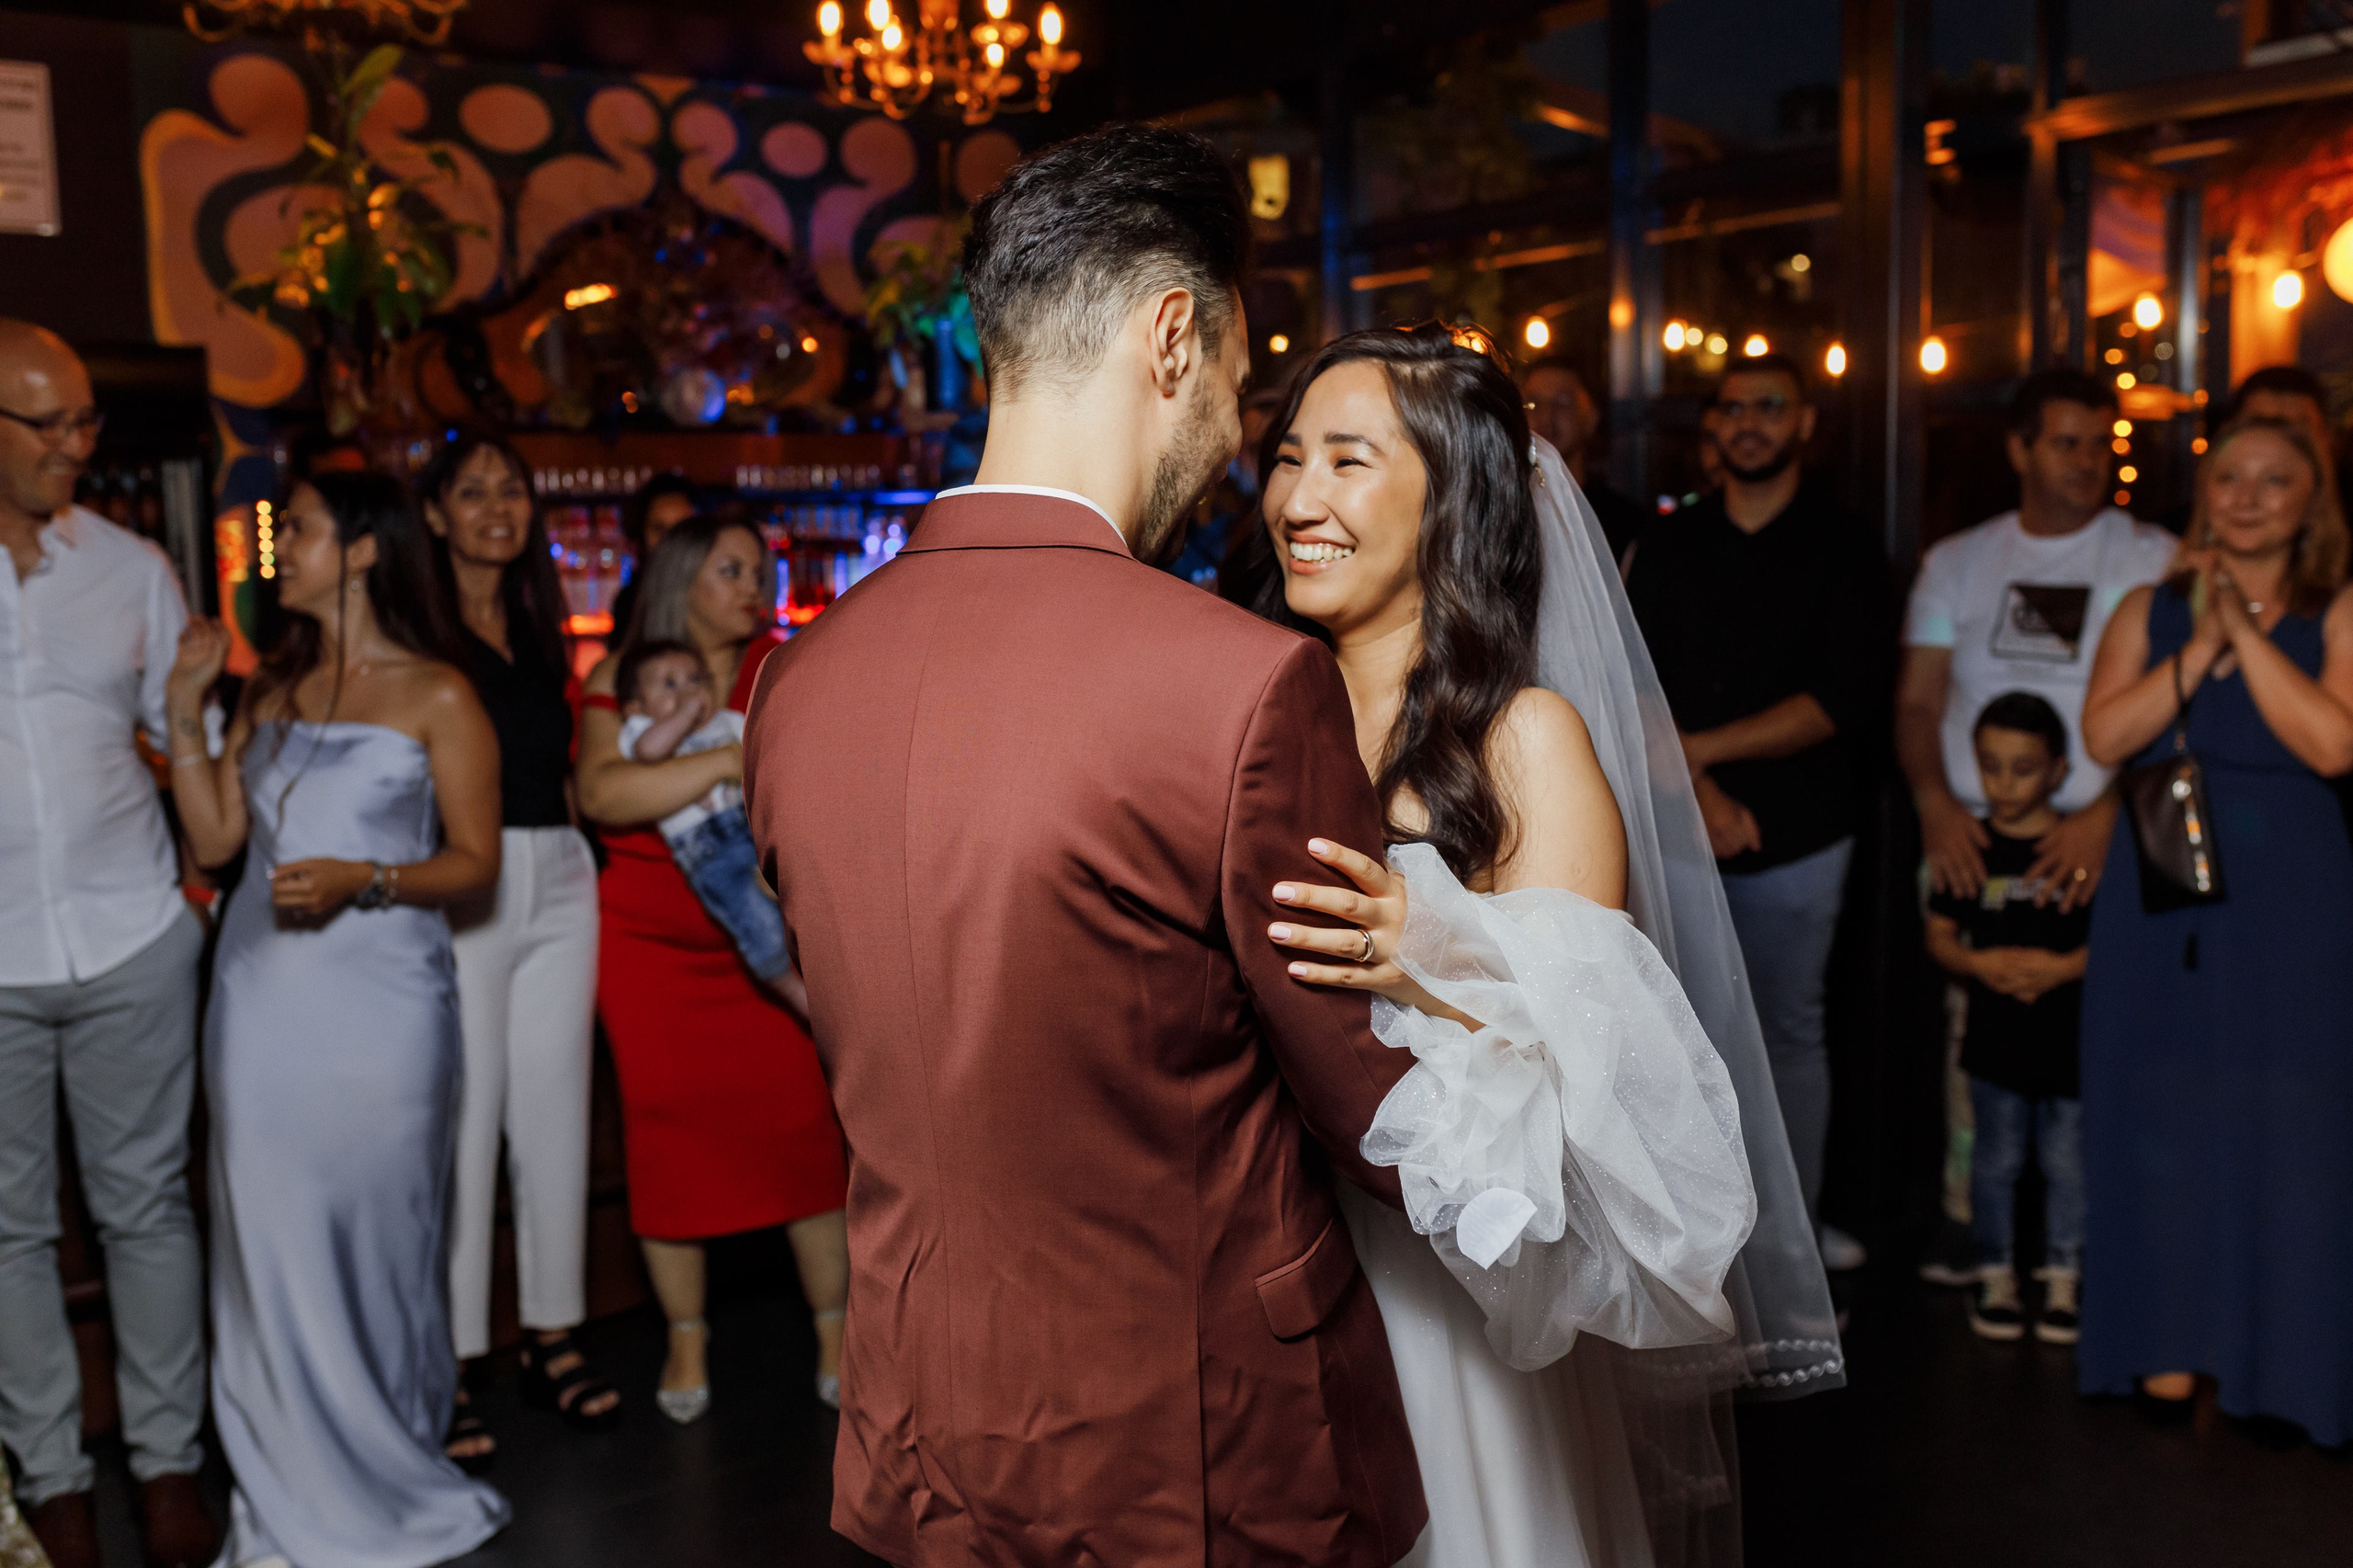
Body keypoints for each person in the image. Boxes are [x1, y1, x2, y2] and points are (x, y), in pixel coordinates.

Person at [743, 123, 1427, 1567]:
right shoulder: (1240, 685)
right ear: (1173, 336)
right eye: (1242, 384)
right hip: (1191, 1449)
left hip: (919, 1422)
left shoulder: (797, 683)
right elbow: (1381, 1108)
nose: (1238, 433)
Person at [1233, 323, 1842, 1563]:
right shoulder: (1243, 703)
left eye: (1348, 460)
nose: (1298, 496)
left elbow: (1614, 1080)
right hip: (1255, 1260)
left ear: (1454, 501)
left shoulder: (1521, 739)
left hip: (1443, 1286)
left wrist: (1433, 951)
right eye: (1289, 456)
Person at [166, 472, 510, 1566]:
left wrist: (367, 876)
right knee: (267, 1249)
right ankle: (287, 1490)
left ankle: (389, 1466)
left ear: (363, 550)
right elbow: (219, 841)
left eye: (302, 529)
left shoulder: (438, 695)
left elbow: (476, 862)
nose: (283, 550)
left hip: (385, 1011)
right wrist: (184, 712)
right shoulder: (269, 686)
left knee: (382, 1238)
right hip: (261, 1006)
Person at [2079, 414, 2353, 1439]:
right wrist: (2198, 640)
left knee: (2294, 1125)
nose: (2244, 496)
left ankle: (2284, 1363)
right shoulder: (2148, 606)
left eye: (2272, 480)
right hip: (2163, 881)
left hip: (2295, 892)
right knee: (2159, 1112)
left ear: (2309, 499)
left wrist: (2247, 629)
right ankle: (2163, 1343)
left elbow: (2332, 743)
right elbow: (2103, 734)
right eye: (2228, 477)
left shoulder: (2336, 607)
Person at [0, 320, 216, 1568]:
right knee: (14, 1230)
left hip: (133, 935)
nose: (76, 444)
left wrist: (195, 715)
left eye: (86, 421)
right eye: (47, 424)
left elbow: (179, 732)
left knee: (146, 1211)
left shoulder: (132, 566)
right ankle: (54, 1480)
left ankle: (170, 1465)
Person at [1897, 368, 2177, 1285]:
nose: (2088, 462)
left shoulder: (2152, 553)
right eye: (2066, 442)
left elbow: (2183, 704)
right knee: (1970, 1032)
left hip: (2113, 827)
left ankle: (2096, 1228)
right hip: (1982, 830)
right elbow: (1918, 700)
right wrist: (1937, 804)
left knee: (2105, 1024)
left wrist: (2103, 812)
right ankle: (1966, 1216)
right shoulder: (1958, 560)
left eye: (2102, 444)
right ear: (2019, 448)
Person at [576, 514, 847, 1423]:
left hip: (770, 934)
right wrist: (730, 757)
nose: (754, 585)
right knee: (665, 1141)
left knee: (806, 1131)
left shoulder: (788, 663)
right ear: (681, 579)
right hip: (646, 953)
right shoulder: (624, 670)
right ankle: (686, 1335)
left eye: (759, 569)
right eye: (730, 569)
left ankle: (836, 1331)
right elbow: (605, 793)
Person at [1623, 351, 1891, 1267]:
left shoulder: (1846, 545)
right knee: (1676, 1035)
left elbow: (1840, 699)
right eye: (1732, 408)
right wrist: (1696, 788)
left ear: (1804, 421)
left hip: (1802, 834)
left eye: (1768, 407)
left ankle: (1789, 1239)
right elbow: (1633, 682)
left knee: (1786, 1035)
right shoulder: (1669, 541)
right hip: (1676, 828)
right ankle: (1700, 1243)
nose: (1747, 423)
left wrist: (1704, 753)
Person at [418, 432, 619, 1471]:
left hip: (559, 875)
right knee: (466, 1125)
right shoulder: (418, 635)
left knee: (554, 1117)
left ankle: (552, 1331)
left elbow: (574, 768)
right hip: (467, 882)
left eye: (513, 489)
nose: (498, 505)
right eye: (473, 490)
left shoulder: (543, 629)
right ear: (437, 514)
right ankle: (450, 1360)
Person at [1923, 692, 2090, 1346]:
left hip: (2068, 1041)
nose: (2004, 782)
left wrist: (2061, 968)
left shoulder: (2080, 847)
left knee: (2065, 1161)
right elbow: (1938, 935)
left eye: (2023, 768)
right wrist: (1980, 963)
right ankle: (1996, 1275)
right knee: (1993, 1161)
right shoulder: (1970, 846)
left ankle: (2063, 1280)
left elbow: (2116, 941)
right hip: (1993, 1041)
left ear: (2058, 771)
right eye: (1991, 765)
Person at [613, 639, 799, 996]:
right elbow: (649, 751)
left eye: (695, 679)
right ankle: (790, 988)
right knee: (755, 924)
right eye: (669, 684)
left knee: (797, 903)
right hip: (707, 849)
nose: (687, 690)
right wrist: (684, 715)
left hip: (747, 827)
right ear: (635, 708)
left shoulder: (725, 722)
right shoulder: (641, 731)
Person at [1518, 356, 1647, 558]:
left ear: (1591, 418)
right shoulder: (1506, 511)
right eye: (1534, 404)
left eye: (1562, 403)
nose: (1546, 417)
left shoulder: (1622, 521)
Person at [608, 470, 696, 638]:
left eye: (681, 530)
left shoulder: (715, 598)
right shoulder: (630, 602)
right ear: (641, 534)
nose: (670, 541)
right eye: (660, 530)